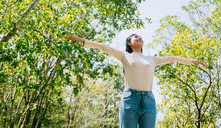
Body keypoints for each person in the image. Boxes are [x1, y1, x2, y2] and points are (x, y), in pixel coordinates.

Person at [61, 33, 208, 128]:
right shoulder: (124, 55)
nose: (139, 38)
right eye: (135, 37)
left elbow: (173, 58)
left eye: (141, 37)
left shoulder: (152, 59)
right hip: (130, 99)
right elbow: (103, 47)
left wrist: (193, 61)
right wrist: (81, 40)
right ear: (129, 43)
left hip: (149, 100)